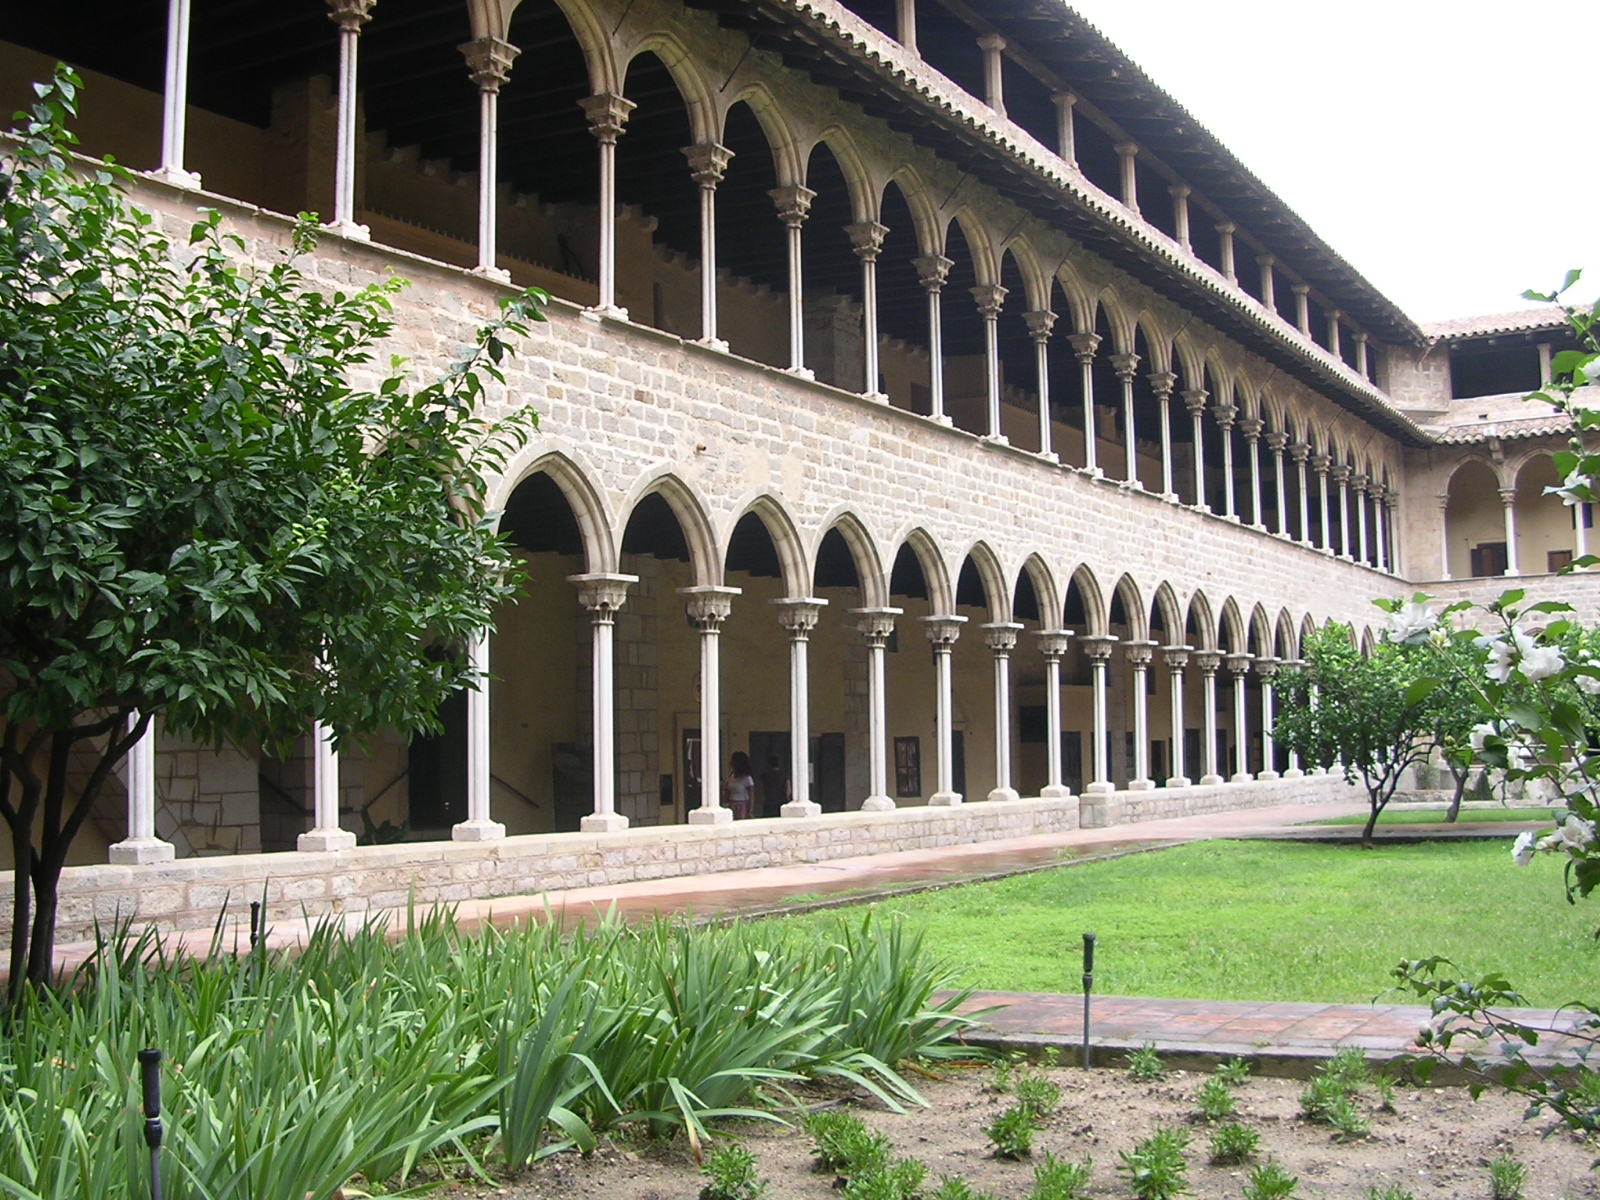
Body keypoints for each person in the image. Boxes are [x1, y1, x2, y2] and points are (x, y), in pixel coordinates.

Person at [725, 751, 756, 820]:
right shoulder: (731, 776)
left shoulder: (747, 779)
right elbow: (728, 790)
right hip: (731, 804)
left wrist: (750, 811)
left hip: (742, 806)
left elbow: (751, 796)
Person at [758, 754, 789, 819]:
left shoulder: (765, 776)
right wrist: (788, 799)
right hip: (781, 801)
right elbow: (788, 789)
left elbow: (762, 789)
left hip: (769, 802)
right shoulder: (783, 775)